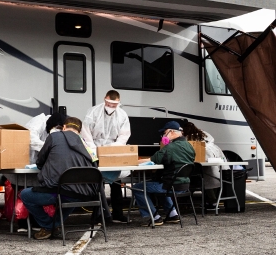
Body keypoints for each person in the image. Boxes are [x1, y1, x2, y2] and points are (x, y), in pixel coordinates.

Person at [20, 116, 97, 240]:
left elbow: (40, 161)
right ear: (80, 130)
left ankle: (48, 225)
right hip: (83, 194)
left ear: (64, 127)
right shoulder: (85, 143)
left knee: (25, 194)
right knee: (72, 193)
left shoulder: (54, 137)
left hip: (59, 191)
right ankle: (54, 225)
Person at [80, 90, 131, 223]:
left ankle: (118, 213)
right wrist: (93, 150)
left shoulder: (122, 115)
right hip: (95, 148)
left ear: (118, 103)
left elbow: (124, 134)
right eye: (109, 103)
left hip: (113, 149)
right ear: (105, 100)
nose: (111, 107)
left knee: (116, 182)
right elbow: (86, 133)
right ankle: (99, 214)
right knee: (98, 183)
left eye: (114, 105)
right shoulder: (94, 112)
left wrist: (115, 147)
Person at [132, 121, 195, 226]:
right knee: (160, 183)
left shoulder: (170, 148)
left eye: (165, 133)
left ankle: (154, 217)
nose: (163, 136)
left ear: (171, 132)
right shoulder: (190, 147)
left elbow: (152, 159)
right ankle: (172, 215)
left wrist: (130, 161)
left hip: (171, 186)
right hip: (184, 185)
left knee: (138, 187)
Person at [181, 121, 226, 209]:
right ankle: (213, 201)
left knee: (206, 181)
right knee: (213, 180)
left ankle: (211, 201)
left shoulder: (188, 138)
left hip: (201, 164)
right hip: (214, 158)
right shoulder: (204, 134)